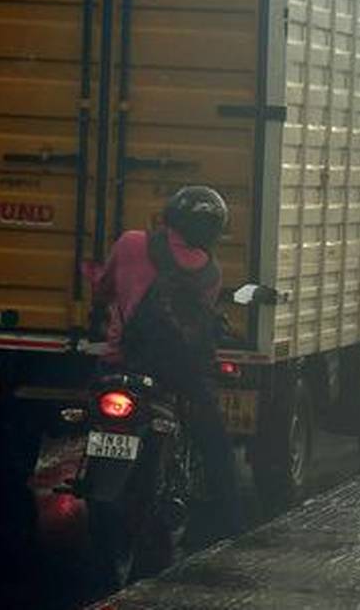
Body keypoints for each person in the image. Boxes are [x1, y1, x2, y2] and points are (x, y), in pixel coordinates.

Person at [88, 186, 242, 538]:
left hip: (120, 362)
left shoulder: (130, 244)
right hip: (174, 374)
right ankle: (232, 526)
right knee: (215, 443)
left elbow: (104, 289)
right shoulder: (209, 271)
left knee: (93, 408)